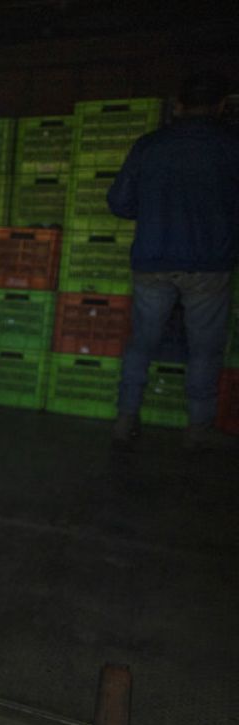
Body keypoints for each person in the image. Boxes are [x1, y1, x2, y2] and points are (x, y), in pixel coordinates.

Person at [107, 71, 239, 452]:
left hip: (153, 259)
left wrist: (153, 212)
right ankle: (198, 430)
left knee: (141, 343)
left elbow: (118, 202)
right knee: (205, 349)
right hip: (209, 264)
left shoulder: (149, 146)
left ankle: (126, 418)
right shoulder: (232, 146)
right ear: (220, 107)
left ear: (177, 107)